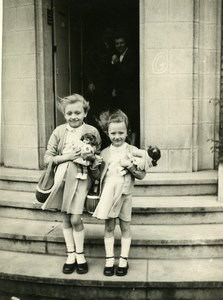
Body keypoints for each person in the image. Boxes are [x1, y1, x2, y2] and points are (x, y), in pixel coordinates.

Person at [42, 94, 101, 275]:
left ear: (85, 113)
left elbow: (98, 158)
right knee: (66, 218)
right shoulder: (59, 131)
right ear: (64, 114)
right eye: (69, 113)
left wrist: (91, 158)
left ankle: (81, 254)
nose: (73, 116)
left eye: (77, 112)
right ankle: (71, 254)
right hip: (62, 178)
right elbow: (47, 159)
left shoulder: (92, 131)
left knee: (75, 218)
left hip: (82, 178)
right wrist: (68, 157)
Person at [90, 110, 150, 277]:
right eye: (113, 133)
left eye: (121, 132)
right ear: (107, 133)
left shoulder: (132, 150)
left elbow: (142, 174)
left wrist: (130, 166)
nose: (117, 136)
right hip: (109, 193)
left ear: (127, 132)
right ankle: (109, 260)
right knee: (109, 226)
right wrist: (94, 165)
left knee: (125, 226)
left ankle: (123, 259)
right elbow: (97, 176)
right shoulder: (103, 152)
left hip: (125, 194)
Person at [84, 27, 115, 149]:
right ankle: (97, 141)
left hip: (109, 87)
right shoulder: (96, 47)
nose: (108, 36)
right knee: (97, 113)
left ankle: (108, 142)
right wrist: (90, 82)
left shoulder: (113, 48)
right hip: (98, 86)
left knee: (108, 114)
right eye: (107, 33)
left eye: (110, 34)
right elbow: (88, 65)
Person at [111, 31, 139, 146]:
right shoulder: (118, 56)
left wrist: (117, 63)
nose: (119, 45)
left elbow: (129, 73)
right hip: (122, 94)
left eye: (121, 43)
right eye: (117, 43)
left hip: (131, 93)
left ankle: (133, 143)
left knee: (132, 117)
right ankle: (126, 142)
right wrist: (114, 88)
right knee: (124, 117)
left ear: (126, 43)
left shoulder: (132, 54)